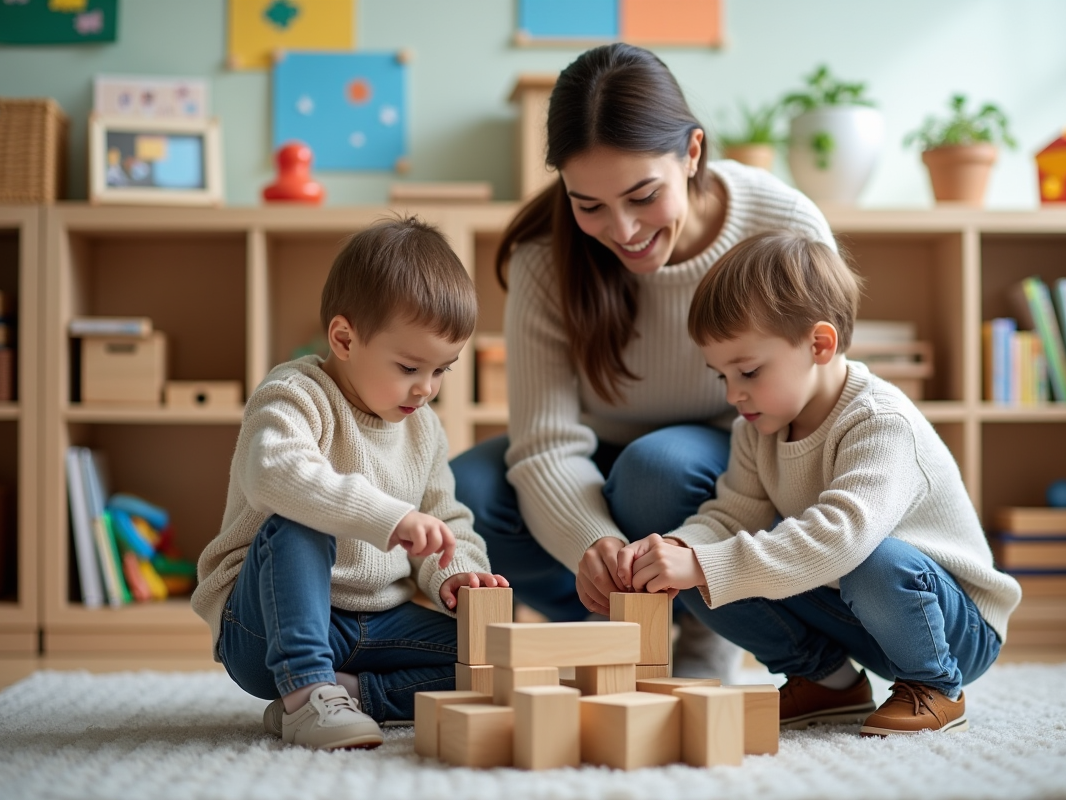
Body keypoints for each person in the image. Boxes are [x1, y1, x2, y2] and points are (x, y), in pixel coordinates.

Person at [450, 43, 836, 678]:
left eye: (643, 195)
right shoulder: (546, 258)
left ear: (691, 153)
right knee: (468, 494)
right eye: (589, 205)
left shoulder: (782, 222)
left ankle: (707, 626)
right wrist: (592, 544)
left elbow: (826, 399)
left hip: (732, 459)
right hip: (597, 459)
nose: (623, 230)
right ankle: (605, 634)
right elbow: (544, 444)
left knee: (655, 470)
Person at [618, 232, 1022, 735]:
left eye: (747, 371)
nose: (733, 394)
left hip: (951, 623)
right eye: (721, 376)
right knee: (702, 574)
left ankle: (934, 684)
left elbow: (843, 536)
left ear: (819, 344)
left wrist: (703, 561)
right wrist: (681, 550)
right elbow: (730, 516)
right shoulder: (756, 428)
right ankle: (827, 681)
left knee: (870, 557)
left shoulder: (879, 420)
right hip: (856, 608)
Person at [192, 217, 508, 751]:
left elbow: (446, 517)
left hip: (373, 623)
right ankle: (307, 690)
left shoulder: (423, 427)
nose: (426, 388)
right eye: (410, 365)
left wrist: (457, 573)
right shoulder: (294, 393)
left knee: (492, 660)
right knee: (298, 522)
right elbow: (277, 474)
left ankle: (351, 696)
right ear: (344, 338)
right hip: (264, 626)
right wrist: (391, 518)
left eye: (442, 370)